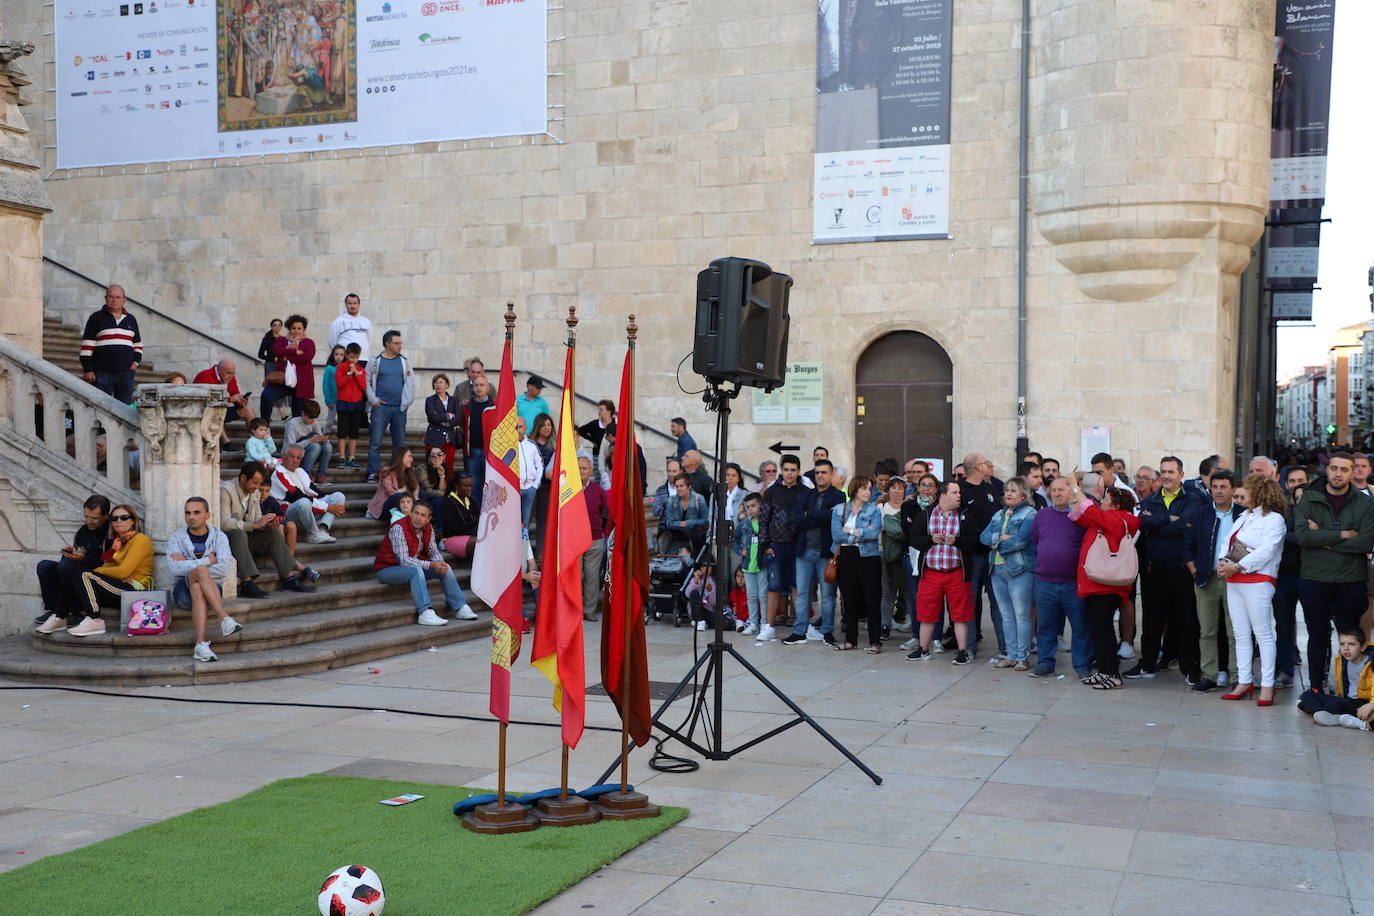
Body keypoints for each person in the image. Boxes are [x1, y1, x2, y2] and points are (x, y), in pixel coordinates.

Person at [1294, 452, 1374, 691]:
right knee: (1317, 635)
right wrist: (1341, 534)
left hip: (1351, 579)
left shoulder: (1364, 503)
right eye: (1334, 468)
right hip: (1315, 577)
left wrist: (1323, 538)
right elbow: (1304, 536)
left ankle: (1347, 689)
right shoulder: (1309, 498)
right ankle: (1315, 687)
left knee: (1349, 638)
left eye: (1344, 469)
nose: (1338, 473)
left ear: (1352, 473)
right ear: (1326, 469)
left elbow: (1365, 543)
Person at [1127, 456, 1205, 680]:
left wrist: (1161, 523)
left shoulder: (1193, 498)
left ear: (1181, 474)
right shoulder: (1152, 499)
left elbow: (1187, 525)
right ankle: (1147, 665)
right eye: (1163, 472)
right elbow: (1143, 522)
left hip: (1182, 569)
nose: (1167, 476)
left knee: (1186, 620)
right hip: (1155, 570)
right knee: (1151, 619)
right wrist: (1169, 520)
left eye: (1171, 472)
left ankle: (1189, 667)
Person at [1216, 474, 1288, 705]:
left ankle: (1267, 685)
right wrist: (1222, 562)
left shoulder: (1274, 519)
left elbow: (1266, 550)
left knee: (1263, 634)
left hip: (1258, 580)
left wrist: (1236, 565)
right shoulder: (1244, 516)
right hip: (1234, 580)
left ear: (1258, 493)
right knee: (1240, 634)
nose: (1242, 493)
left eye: (1247, 490)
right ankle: (1244, 680)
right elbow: (1227, 541)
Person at [1066, 477, 1140, 689]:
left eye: (1106, 499)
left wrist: (1074, 486)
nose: (1102, 502)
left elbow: (1089, 510)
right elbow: (1080, 516)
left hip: (1106, 586)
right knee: (1098, 630)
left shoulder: (1118, 519)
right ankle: (1104, 671)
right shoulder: (1106, 518)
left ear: (1116, 505)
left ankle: (1113, 674)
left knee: (1104, 630)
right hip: (1097, 585)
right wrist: (1073, 495)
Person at [39, 503, 152, 637]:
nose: (118, 521)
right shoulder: (118, 542)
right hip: (116, 587)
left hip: (134, 590)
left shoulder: (140, 540)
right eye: (115, 518)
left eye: (123, 517)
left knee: (84, 574)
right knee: (71, 567)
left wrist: (98, 571)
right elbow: (109, 568)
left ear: (133, 520)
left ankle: (95, 620)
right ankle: (59, 616)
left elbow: (122, 572)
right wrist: (102, 569)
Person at [219, 461, 315, 598]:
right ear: (243, 478)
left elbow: (256, 517)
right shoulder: (226, 490)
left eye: (259, 483)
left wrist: (266, 523)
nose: (257, 487)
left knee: (274, 531)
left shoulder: (254, 492)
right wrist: (253, 525)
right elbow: (223, 523)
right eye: (254, 483)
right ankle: (247, 582)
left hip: (245, 536)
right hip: (227, 539)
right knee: (238, 534)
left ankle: (288, 577)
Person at [905, 480, 976, 665]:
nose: (959, 496)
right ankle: (923, 649)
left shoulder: (964, 515)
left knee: (960, 613)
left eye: (959, 492)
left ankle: (963, 651)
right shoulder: (927, 514)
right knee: (926, 612)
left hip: (956, 572)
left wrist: (958, 542)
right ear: (943, 495)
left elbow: (975, 541)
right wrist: (930, 540)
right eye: (954, 492)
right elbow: (913, 538)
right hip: (931, 572)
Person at [373, 500, 477, 626]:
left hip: (412, 568)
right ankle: (425, 612)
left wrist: (440, 563)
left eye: (423, 515)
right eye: (416, 513)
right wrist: (431, 565)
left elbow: (433, 551)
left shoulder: (428, 528)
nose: (418, 518)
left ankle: (460, 607)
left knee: (446, 568)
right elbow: (404, 561)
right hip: (387, 570)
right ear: (410, 513)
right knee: (415, 570)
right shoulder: (398, 528)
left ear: (428, 519)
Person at [1028, 476, 1092, 679]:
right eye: (1053, 490)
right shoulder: (1042, 516)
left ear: (1071, 492)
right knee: (1046, 626)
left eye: (1061, 490)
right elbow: (1036, 541)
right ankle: (1045, 663)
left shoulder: (1079, 516)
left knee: (1080, 627)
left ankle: (1082, 665)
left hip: (1073, 583)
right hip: (1045, 581)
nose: (1056, 493)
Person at [1185, 468, 1243, 693]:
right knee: (1207, 630)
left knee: (1234, 630)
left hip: (1235, 579)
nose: (1218, 491)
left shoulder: (1242, 514)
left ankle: (1238, 674)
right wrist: (1193, 570)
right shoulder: (1200, 514)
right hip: (1205, 579)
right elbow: (1187, 545)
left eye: (1223, 487)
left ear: (1233, 489)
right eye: (1214, 487)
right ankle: (1209, 674)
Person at [167, 497, 242, 662]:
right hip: (182, 592)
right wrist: (206, 561)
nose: (191, 517)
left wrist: (187, 563)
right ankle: (224, 618)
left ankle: (200, 644)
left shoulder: (219, 537)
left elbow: (223, 569)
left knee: (198, 586)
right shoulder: (176, 537)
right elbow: (174, 568)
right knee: (200, 571)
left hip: (210, 590)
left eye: (196, 512)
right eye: (187, 512)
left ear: (207, 515)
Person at [981, 476, 1038, 671]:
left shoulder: (1030, 514)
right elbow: (983, 537)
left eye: (1013, 490)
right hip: (997, 570)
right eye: (1006, 490)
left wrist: (996, 544)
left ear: (1024, 494)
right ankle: (1011, 655)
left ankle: (1022, 657)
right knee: (1006, 616)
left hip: (1020, 571)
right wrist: (1001, 538)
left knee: (1021, 615)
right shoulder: (998, 514)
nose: (1008, 494)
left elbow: (1021, 541)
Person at [785, 458, 843, 645]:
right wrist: (820, 515)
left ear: (831, 474)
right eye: (817, 472)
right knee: (802, 594)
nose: (819, 476)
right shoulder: (805, 495)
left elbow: (835, 517)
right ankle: (799, 631)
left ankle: (827, 632)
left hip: (826, 553)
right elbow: (797, 519)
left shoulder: (838, 496)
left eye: (823, 472)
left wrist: (810, 514)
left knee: (827, 595)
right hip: (804, 552)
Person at [33, 495, 110, 626]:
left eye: (94, 518)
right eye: (86, 516)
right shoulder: (83, 531)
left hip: (95, 579)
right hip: (77, 570)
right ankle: (53, 610)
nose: (89, 521)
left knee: (66, 566)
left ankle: (75, 612)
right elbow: (80, 553)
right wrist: (71, 553)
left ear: (106, 516)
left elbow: (107, 567)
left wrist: (82, 558)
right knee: (45, 566)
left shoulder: (111, 533)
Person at [830, 475, 884, 653]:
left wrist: (851, 531)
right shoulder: (839, 509)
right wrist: (859, 534)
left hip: (869, 557)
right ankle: (850, 640)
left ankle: (875, 641)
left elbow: (873, 533)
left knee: (872, 599)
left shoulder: (874, 510)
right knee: (849, 598)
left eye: (870, 488)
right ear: (855, 488)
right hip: (846, 555)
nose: (868, 492)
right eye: (864, 488)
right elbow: (837, 535)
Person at [958, 453, 1004, 657]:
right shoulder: (960, 490)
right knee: (971, 599)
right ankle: (968, 646)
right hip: (971, 555)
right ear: (977, 467)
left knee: (998, 600)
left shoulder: (991, 488)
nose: (989, 466)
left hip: (993, 554)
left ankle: (1005, 646)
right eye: (986, 463)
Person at [756, 454, 806, 642]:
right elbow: (763, 520)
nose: (789, 473)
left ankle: (801, 626)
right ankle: (768, 626)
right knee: (774, 586)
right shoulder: (772, 491)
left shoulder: (805, 492)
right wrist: (766, 545)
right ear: (781, 470)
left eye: (793, 470)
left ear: (798, 471)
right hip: (775, 546)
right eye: (786, 469)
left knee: (797, 587)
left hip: (798, 547)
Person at [1272, 465, 1309, 689]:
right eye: (1293, 481)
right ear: (1286, 484)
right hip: (1284, 574)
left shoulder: (1318, 509)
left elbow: (1310, 538)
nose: (1297, 485)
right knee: (1283, 626)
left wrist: (1289, 534)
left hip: (1310, 574)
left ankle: (1320, 673)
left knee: (1317, 626)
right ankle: (1284, 670)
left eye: (1301, 480)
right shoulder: (1280, 511)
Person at [365, 330, 416, 482]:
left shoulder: (405, 361)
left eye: (401, 343)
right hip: (381, 408)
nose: (400, 346)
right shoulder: (375, 360)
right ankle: (373, 472)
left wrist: (407, 402)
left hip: (399, 408)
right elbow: (366, 382)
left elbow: (411, 383)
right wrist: (373, 400)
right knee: (375, 442)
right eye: (396, 343)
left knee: (399, 444)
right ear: (387, 344)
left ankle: (398, 474)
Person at [79, 284, 142, 403]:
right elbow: (87, 346)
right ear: (105, 298)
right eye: (111, 297)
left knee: (125, 408)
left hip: (126, 373)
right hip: (102, 372)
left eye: (118, 297)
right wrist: (88, 369)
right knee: (101, 406)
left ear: (124, 300)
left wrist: (135, 363)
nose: (114, 300)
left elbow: (138, 344)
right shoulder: (96, 317)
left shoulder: (131, 319)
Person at [271, 444, 347, 544]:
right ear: (284, 457)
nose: (295, 461)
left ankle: (322, 529)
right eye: (292, 457)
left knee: (339, 496)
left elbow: (316, 492)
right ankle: (313, 534)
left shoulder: (300, 471)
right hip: (288, 512)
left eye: (298, 458)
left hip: (306, 506)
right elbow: (297, 496)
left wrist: (331, 504)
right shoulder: (278, 473)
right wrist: (327, 508)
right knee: (304, 502)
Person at [1299, 627, 1374, 726]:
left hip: (1365, 702)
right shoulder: (1343, 661)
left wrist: (1372, 704)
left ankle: (1319, 711)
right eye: (1342, 644)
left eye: (1352, 644)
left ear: (1363, 647)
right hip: (1346, 700)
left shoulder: (1371, 663)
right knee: (1306, 695)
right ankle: (1322, 713)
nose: (1346, 648)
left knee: (1333, 705)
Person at [260, 314, 316, 419]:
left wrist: (288, 357)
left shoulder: (309, 342)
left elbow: (307, 357)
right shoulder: (282, 340)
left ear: (304, 329)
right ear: (289, 329)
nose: (296, 331)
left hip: (301, 382)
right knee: (266, 395)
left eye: (299, 328)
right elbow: (276, 351)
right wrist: (294, 351)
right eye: (293, 328)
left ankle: (296, 434)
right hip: (282, 379)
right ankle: (264, 425)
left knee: (298, 413)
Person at [194, 359, 257, 448]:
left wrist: (241, 401)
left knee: (248, 410)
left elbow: (235, 393)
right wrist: (230, 399)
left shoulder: (230, 378)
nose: (231, 376)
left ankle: (257, 439)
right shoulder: (205, 376)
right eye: (228, 373)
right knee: (217, 410)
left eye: (233, 373)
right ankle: (226, 443)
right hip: (205, 411)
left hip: (223, 408)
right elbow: (207, 401)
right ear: (219, 370)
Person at [579, 454, 610, 621]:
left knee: (591, 577)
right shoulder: (568, 489)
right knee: (576, 577)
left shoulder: (598, 491)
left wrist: (602, 533)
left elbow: (605, 512)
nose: (581, 471)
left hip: (594, 538)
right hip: (574, 541)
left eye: (584, 468)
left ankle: (589, 610)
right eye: (578, 468)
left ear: (590, 471)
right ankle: (575, 609)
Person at [879, 478, 911, 636]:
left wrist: (891, 527)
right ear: (888, 490)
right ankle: (885, 624)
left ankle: (915, 624)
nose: (897, 491)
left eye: (900, 488)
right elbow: (893, 530)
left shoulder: (908, 507)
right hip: (887, 557)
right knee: (887, 592)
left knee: (908, 591)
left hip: (905, 556)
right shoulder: (881, 507)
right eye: (894, 488)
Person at [734, 492, 767, 635]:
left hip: (762, 564)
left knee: (763, 595)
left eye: (753, 506)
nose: (750, 509)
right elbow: (733, 539)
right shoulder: (744, 524)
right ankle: (753, 622)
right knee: (751, 595)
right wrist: (740, 550)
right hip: (748, 565)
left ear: (761, 505)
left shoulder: (765, 522)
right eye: (747, 507)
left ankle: (765, 623)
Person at [460, 374, 494, 497]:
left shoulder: (494, 406)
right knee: (473, 485)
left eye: (482, 385)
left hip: (490, 452)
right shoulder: (466, 407)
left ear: (487, 388)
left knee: (490, 484)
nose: (478, 388)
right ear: (472, 388)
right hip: (472, 451)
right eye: (476, 385)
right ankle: (475, 513)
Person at [423, 372, 461, 478]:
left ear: (446, 385)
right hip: (434, 438)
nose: (438, 385)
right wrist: (448, 415)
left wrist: (442, 419)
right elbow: (432, 417)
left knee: (449, 466)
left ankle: (448, 491)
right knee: (432, 466)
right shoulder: (430, 400)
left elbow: (458, 419)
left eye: (441, 382)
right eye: (435, 383)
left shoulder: (454, 400)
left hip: (449, 439)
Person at [334, 343, 366, 469]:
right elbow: (339, 383)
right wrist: (349, 373)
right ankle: (342, 457)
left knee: (354, 432)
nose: (353, 360)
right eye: (351, 357)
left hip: (356, 403)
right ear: (347, 355)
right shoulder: (341, 367)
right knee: (342, 431)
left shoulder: (361, 370)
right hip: (343, 402)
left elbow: (363, 386)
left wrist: (356, 374)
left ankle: (352, 457)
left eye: (356, 357)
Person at [283, 400, 332, 483]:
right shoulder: (292, 423)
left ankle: (321, 475)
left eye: (315, 417)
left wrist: (323, 439)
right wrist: (309, 441)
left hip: (311, 453)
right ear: (303, 413)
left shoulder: (314, 421)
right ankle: (306, 474)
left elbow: (319, 437)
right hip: (295, 454)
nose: (312, 420)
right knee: (315, 446)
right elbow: (289, 447)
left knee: (328, 446)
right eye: (310, 417)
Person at [367, 447, 420, 520]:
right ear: (400, 457)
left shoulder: (408, 472)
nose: (412, 459)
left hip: (402, 505)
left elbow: (416, 487)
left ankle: (415, 519)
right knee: (398, 496)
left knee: (422, 494)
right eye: (409, 456)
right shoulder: (386, 471)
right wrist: (411, 498)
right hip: (384, 507)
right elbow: (391, 492)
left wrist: (414, 496)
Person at [662, 473, 709, 554]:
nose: (679, 489)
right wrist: (681, 524)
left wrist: (688, 523)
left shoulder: (698, 499)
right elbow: (669, 523)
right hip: (677, 538)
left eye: (681, 486)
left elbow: (706, 521)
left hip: (695, 539)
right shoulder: (672, 500)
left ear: (689, 486)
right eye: (677, 486)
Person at [438, 474, 479, 559]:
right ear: (456, 486)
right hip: (451, 538)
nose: (469, 488)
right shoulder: (447, 503)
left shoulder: (472, 501)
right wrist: (474, 522)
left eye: (470, 485)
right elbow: (452, 528)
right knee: (478, 543)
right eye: (465, 486)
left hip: (471, 537)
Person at [577, 398, 616, 485]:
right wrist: (592, 440)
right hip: (597, 455)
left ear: (609, 411)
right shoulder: (595, 424)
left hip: (612, 457)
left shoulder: (615, 424)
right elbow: (580, 430)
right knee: (599, 479)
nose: (599, 412)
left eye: (602, 410)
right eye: (599, 409)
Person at [516, 416, 546, 530]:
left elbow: (540, 465)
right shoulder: (508, 446)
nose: (518, 429)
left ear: (525, 428)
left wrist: (535, 485)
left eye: (520, 426)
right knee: (515, 519)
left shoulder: (532, 445)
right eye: (515, 427)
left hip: (530, 488)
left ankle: (525, 544)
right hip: (515, 489)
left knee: (526, 519)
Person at [327, 292, 372, 361]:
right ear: (346, 305)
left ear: (359, 304)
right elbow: (332, 342)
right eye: (350, 303)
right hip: (346, 360)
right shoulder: (338, 321)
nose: (352, 306)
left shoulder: (366, 321)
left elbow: (369, 340)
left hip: (364, 359)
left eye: (355, 303)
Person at [320, 344, 345, 452]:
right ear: (332, 355)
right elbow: (325, 385)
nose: (339, 357)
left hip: (344, 401)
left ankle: (341, 447)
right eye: (336, 354)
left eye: (341, 355)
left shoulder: (346, 368)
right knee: (330, 422)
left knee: (343, 424)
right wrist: (328, 400)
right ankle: (323, 440)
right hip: (333, 401)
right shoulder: (329, 369)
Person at [258, 317, 284, 382]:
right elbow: (260, 354)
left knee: (281, 384)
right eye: (275, 325)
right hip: (270, 365)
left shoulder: (283, 339)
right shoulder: (267, 339)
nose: (277, 327)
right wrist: (272, 358)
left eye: (279, 325)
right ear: (272, 327)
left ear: (281, 327)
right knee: (270, 384)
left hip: (281, 364)